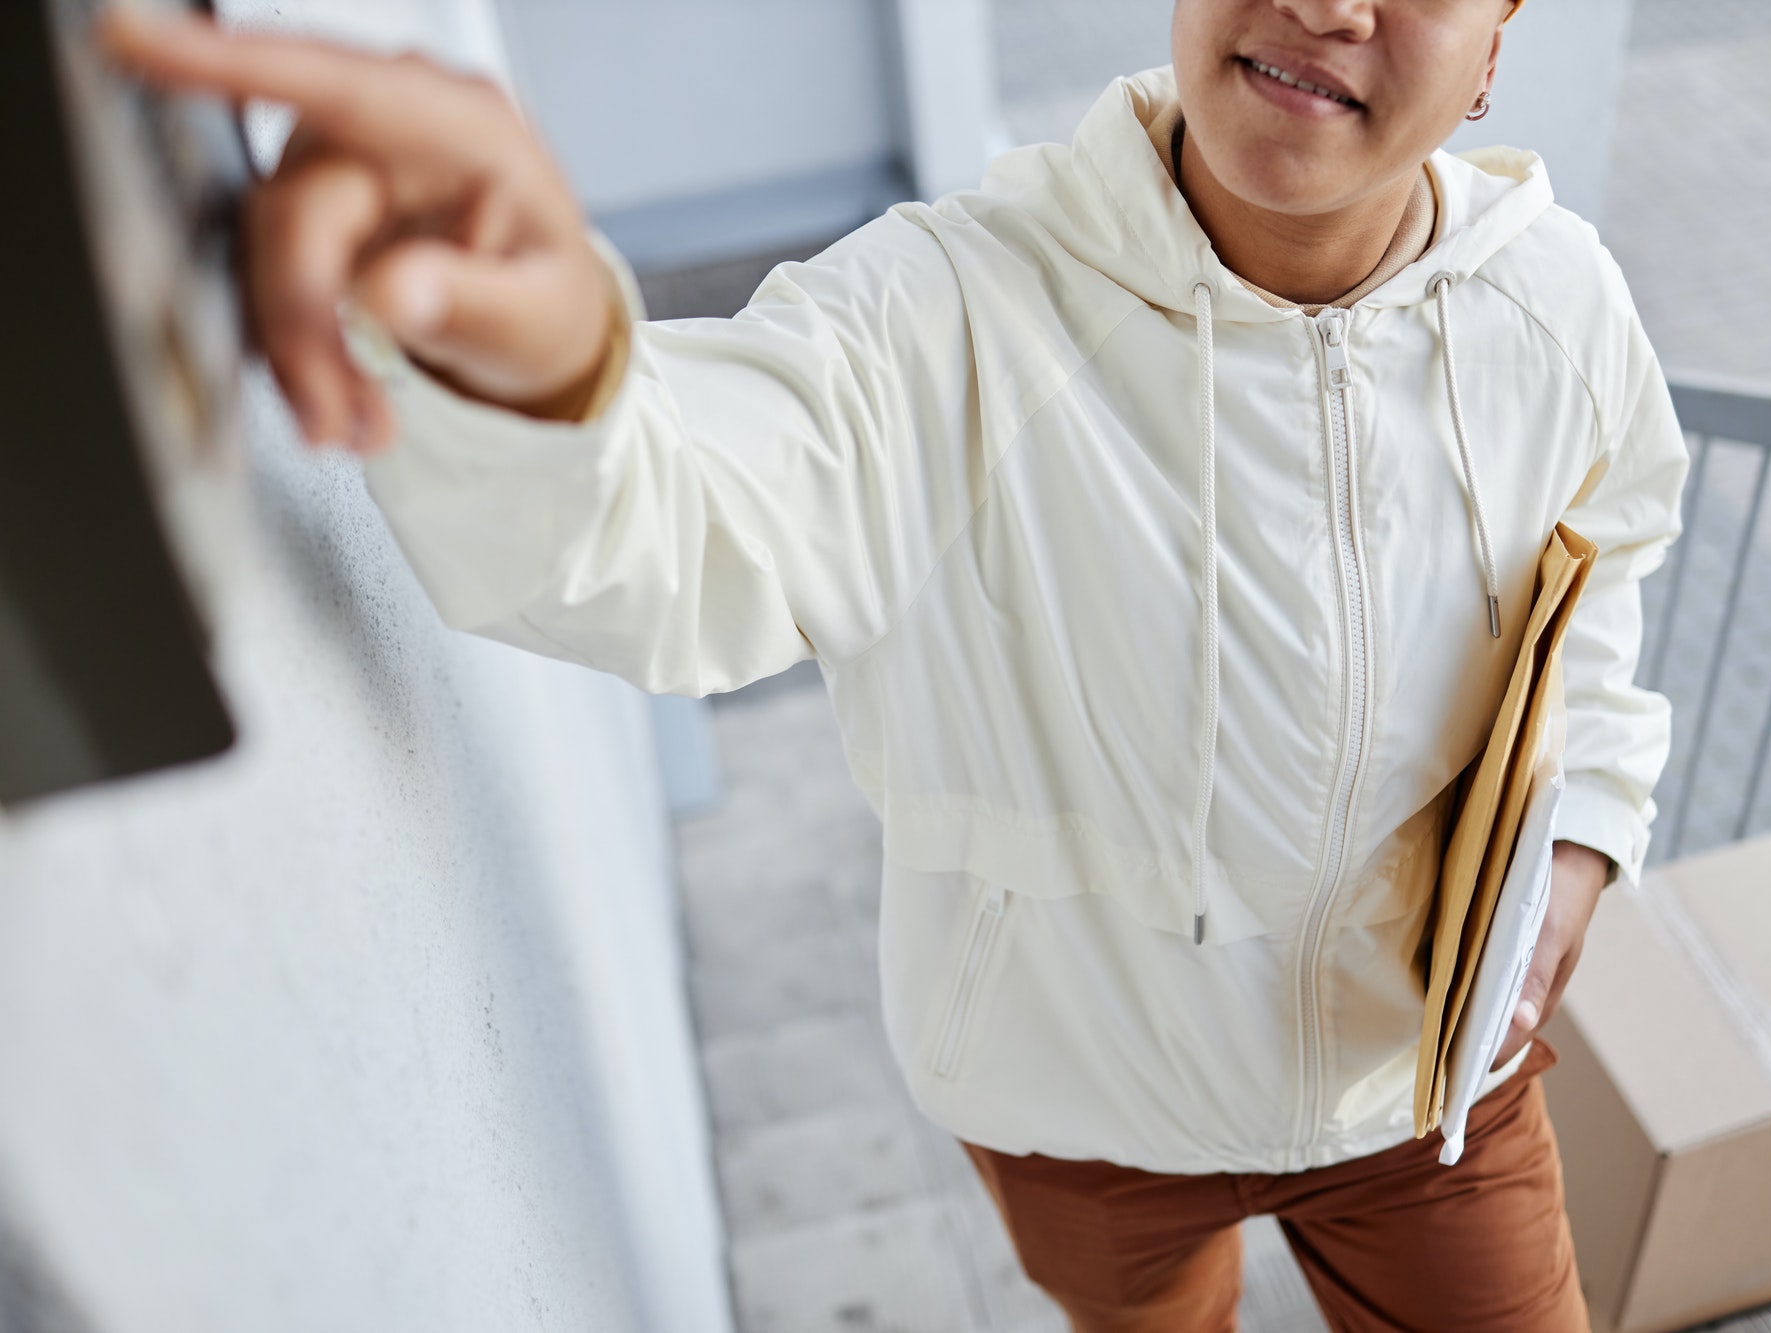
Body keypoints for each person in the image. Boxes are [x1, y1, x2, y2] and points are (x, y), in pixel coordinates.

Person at [105, 2, 1685, 1328]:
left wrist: (1593, 831)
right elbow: (685, 513)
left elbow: (1605, 560)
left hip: (1419, 1091)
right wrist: (542, 372)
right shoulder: (950, 314)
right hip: (1082, 1120)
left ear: (1494, 48)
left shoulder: (1560, 312)